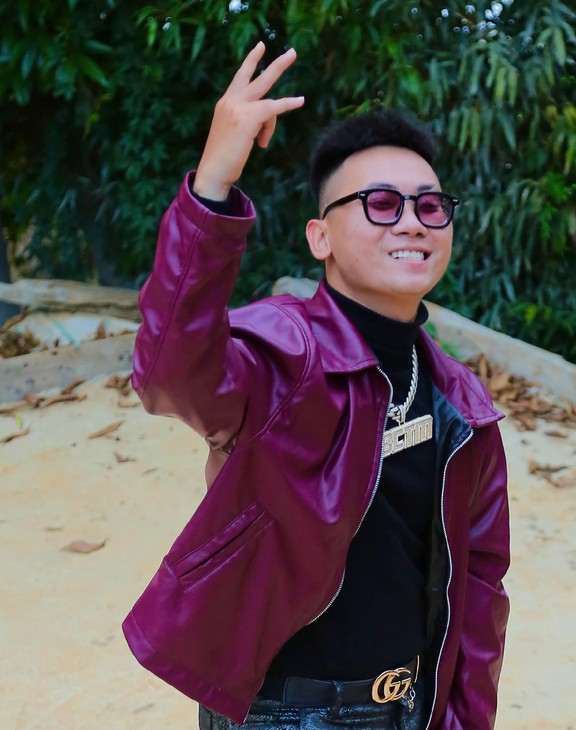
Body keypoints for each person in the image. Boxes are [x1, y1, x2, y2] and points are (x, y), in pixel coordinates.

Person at [123, 42, 510, 730]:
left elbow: (478, 588)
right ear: (319, 237)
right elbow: (170, 375)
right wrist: (213, 183)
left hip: (406, 709)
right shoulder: (283, 355)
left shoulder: (462, 406)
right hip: (280, 711)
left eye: (431, 206)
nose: (413, 221)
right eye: (381, 204)